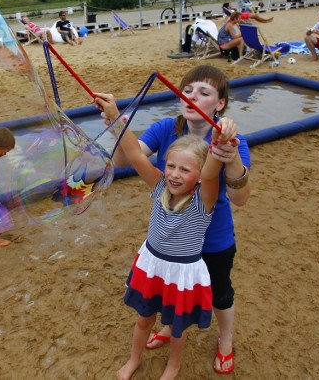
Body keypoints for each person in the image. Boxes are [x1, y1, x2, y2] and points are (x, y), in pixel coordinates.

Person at [102, 65, 252, 375]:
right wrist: (117, 120)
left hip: (212, 239)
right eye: (188, 90)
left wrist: (227, 149)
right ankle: (169, 328)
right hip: (162, 254)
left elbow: (234, 192)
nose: (193, 96)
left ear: (220, 103)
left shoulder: (224, 154)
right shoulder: (164, 141)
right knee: (163, 300)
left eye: (204, 92)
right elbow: (132, 156)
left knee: (220, 293)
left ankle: (225, 341)